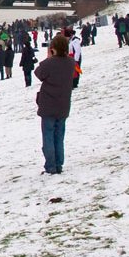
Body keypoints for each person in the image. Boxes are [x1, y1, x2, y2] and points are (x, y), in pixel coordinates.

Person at [34, 33, 76, 175]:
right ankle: (59, 163)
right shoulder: (71, 63)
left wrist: (49, 58)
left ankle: (50, 165)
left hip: (48, 106)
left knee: (48, 136)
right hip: (63, 105)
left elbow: (38, 73)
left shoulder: (49, 63)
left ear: (53, 48)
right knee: (59, 136)